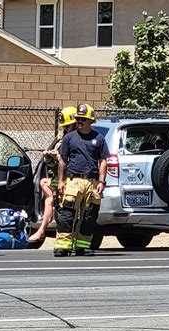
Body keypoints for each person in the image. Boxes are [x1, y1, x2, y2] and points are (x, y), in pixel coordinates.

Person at [54, 103, 110, 257]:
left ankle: (82, 246)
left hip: (92, 183)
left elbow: (104, 161)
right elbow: (62, 160)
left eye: (83, 119)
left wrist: (101, 181)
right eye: (78, 118)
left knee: (89, 216)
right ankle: (62, 246)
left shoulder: (99, 139)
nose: (80, 121)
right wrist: (61, 181)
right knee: (67, 214)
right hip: (73, 181)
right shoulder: (69, 138)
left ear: (91, 121)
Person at [27, 106, 77, 243]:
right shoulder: (62, 140)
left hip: (73, 180)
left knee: (49, 200)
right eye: (64, 126)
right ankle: (45, 225)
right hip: (61, 178)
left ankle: (42, 231)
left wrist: (59, 156)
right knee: (44, 182)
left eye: (68, 126)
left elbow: (73, 162)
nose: (66, 129)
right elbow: (56, 166)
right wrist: (49, 158)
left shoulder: (78, 140)